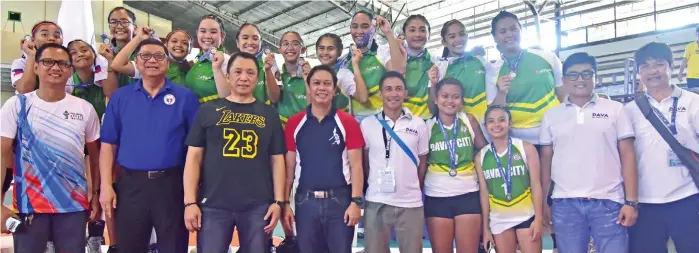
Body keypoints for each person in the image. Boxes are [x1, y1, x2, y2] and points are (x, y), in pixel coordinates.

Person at [99, 38, 199, 253]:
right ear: (136, 61)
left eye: (159, 56)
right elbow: (108, 145)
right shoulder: (120, 97)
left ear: (168, 63)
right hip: (131, 186)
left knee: (173, 247)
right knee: (129, 247)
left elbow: (196, 149)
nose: (152, 60)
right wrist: (106, 185)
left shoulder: (186, 98)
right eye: (145, 56)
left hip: (171, 186)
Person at [0, 43, 101, 253]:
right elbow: (2, 155)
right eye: (48, 62)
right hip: (29, 206)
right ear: (36, 67)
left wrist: (95, 193)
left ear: (70, 70)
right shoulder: (17, 105)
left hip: (73, 206)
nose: (55, 67)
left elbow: (95, 156)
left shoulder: (84, 109)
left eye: (63, 63)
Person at [183, 52, 286, 253]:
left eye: (250, 73)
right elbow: (193, 158)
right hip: (213, 204)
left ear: (257, 78)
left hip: (257, 206)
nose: (244, 78)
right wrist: (190, 202)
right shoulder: (208, 110)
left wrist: (278, 201)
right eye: (237, 72)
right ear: (228, 76)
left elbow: (277, 161)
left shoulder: (269, 114)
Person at [539, 52, 638, 253]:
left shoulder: (616, 110)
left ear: (596, 77)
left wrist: (631, 202)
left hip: (610, 203)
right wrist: (542, 202)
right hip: (565, 204)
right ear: (564, 80)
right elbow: (545, 162)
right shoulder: (551, 116)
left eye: (586, 73)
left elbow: (628, 155)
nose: (580, 79)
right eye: (573, 75)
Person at [625, 42, 699, 253]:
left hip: (688, 198)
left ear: (671, 66)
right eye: (645, 66)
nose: (652, 71)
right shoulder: (629, 111)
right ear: (639, 72)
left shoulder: (694, 102)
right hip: (644, 203)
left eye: (658, 64)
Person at [283, 65, 364, 253]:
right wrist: (285, 203)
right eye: (316, 83)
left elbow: (357, 166)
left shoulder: (347, 122)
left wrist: (356, 203)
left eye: (327, 84)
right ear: (309, 88)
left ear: (334, 90)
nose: (322, 88)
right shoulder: (295, 123)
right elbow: (289, 167)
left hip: (340, 202)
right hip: (305, 202)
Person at [360, 71, 428, 253]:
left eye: (398, 89)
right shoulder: (367, 124)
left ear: (405, 93)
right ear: (380, 94)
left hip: (410, 204)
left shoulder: (419, 124)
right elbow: (365, 163)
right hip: (377, 201)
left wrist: (414, 187)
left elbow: (422, 162)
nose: (394, 94)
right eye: (388, 89)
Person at [425, 78, 488, 253]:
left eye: (456, 97)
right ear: (436, 99)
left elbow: (484, 151)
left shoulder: (469, 120)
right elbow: (421, 162)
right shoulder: (427, 127)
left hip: (468, 193)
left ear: (462, 101)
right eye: (445, 96)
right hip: (436, 195)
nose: (450, 101)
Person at [488, 11, 564, 146]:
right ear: (494, 37)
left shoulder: (547, 57)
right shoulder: (493, 71)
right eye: (503, 31)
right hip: (518, 140)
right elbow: (494, 112)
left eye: (513, 29)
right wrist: (501, 92)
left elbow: (564, 95)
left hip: (556, 132)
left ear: (521, 30)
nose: (509, 34)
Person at [476, 105, 543, 253]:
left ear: (510, 123)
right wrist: (486, 229)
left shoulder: (526, 148)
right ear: (486, 126)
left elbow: (536, 184)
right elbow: (484, 194)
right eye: (491, 121)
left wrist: (539, 218)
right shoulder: (481, 156)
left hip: (527, 216)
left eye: (501, 120)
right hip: (499, 220)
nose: (496, 125)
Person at [428, 19, 492, 123]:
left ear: (467, 36)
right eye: (452, 36)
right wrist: (433, 84)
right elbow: (432, 109)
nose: (458, 39)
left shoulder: (480, 61)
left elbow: (492, 97)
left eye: (462, 34)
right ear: (444, 42)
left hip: (485, 126)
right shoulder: (440, 67)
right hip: (458, 132)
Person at [345, 11, 395, 121]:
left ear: (373, 29)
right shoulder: (346, 63)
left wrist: (388, 33)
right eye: (355, 27)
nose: (359, 31)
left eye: (365, 26)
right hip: (360, 127)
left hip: (386, 123)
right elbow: (361, 98)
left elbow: (396, 72)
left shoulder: (381, 52)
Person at [218, 23, 278, 105]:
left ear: (260, 42)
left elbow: (275, 98)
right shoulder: (229, 63)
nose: (250, 42)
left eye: (255, 38)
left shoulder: (269, 63)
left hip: (262, 114)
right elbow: (225, 95)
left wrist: (268, 71)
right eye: (245, 38)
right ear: (237, 42)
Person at [111, 27, 192, 86]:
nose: (179, 45)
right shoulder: (153, 63)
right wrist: (139, 38)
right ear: (166, 45)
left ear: (190, 49)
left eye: (185, 43)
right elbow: (117, 65)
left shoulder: (193, 69)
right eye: (174, 41)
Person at [394, 14, 437, 120]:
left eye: (422, 30)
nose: (417, 34)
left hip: (428, 123)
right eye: (412, 30)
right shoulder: (394, 61)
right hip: (401, 122)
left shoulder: (435, 62)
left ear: (429, 34)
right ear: (404, 34)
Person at [181, 14, 231, 103]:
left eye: (213, 32)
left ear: (222, 36)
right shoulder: (199, 59)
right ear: (197, 33)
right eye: (203, 31)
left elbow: (230, 98)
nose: (207, 36)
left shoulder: (227, 61)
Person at [11, 21, 70, 94]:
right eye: (45, 34)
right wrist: (32, 55)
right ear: (32, 40)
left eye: (57, 36)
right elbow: (24, 90)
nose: (52, 38)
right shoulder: (20, 63)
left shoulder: (66, 65)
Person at [269, 31, 311, 126]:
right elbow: (273, 99)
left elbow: (315, 108)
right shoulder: (277, 78)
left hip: (305, 132)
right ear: (280, 49)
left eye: (295, 44)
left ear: (303, 49)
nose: (290, 48)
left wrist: (309, 80)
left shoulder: (311, 77)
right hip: (282, 134)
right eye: (285, 44)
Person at [315, 33, 365, 113]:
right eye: (321, 48)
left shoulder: (343, 74)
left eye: (330, 48)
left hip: (342, 124)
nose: (325, 52)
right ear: (316, 51)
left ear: (339, 52)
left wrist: (355, 65)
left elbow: (362, 98)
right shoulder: (313, 75)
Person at [105, 7, 139, 88]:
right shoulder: (105, 54)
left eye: (124, 22)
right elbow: (110, 93)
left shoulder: (144, 52)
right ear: (109, 27)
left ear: (135, 28)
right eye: (113, 22)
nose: (119, 26)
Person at [679, 25, 699, 91]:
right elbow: (684, 61)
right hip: (692, 78)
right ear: (697, 33)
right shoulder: (690, 46)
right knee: (695, 98)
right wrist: (680, 73)